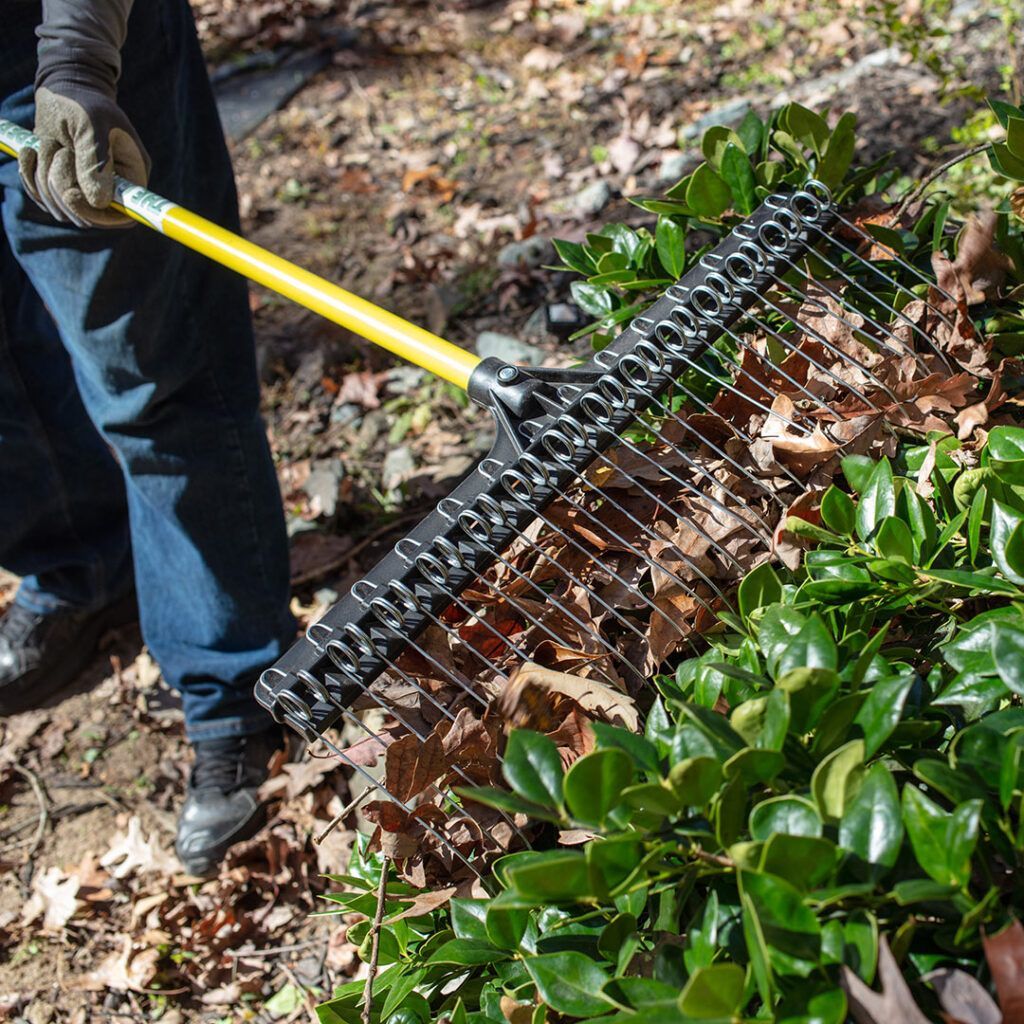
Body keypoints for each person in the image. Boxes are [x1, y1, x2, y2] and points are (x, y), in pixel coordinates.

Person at [0, 0, 296, 874]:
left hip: (54, 49)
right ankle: (82, 570)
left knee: (150, 374)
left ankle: (234, 690)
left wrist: (80, 61)